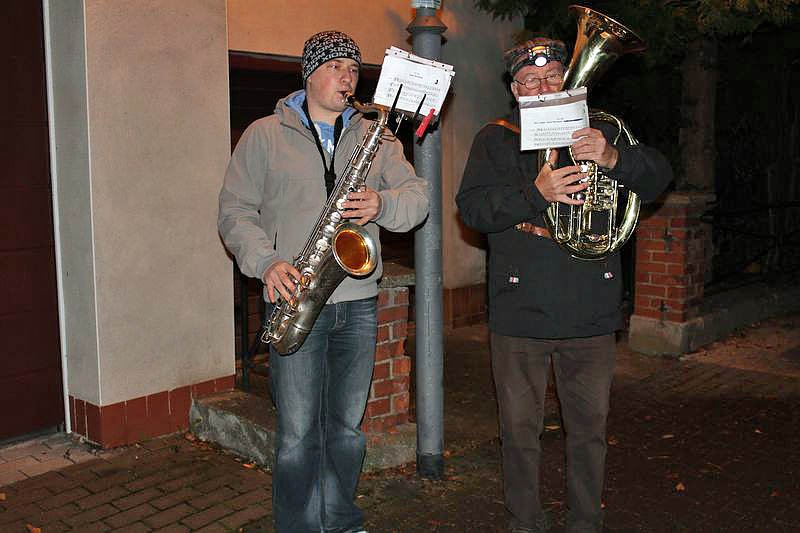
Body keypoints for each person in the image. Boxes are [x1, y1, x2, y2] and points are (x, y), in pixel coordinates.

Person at [456, 38, 672, 532]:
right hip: (520, 311)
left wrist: (616, 159)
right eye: (530, 80)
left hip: (590, 310)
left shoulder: (603, 130)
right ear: (516, 89)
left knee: (589, 434)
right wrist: (535, 194)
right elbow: (473, 209)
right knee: (519, 434)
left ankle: (585, 523)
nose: (543, 85)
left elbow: (661, 175)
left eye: (553, 76)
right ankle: (525, 523)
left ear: (568, 80)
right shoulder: (496, 138)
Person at [218, 30, 429, 533]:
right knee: (295, 435)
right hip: (293, 293)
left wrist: (383, 203)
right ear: (309, 74)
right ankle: (297, 526)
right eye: (336, 68)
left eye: (354, 70)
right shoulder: (265, 134)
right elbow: (234, 212)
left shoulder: (378, 137)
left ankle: (340, 519)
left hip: (357, 301)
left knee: (346, 431)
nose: (348, 78)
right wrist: (266, 261)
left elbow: (417, 198)